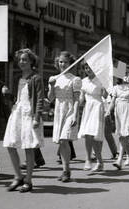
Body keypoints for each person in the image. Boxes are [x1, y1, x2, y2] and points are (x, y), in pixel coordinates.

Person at [3, 48, 45, 192]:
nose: (22, 62)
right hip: (17, 112)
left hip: (29, 114)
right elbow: (16, 98)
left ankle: (28, 180)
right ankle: (18, 176)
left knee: (28, 147)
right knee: (10, 144)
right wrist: (7, 94)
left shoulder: (36, 78)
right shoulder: (17, 78)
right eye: (20, 59)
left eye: (25, 59)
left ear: (31, 61)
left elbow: (39, 99)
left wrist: (37, 117)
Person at [48, 51, 82, 182]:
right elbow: (50, 98)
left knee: (64, 139)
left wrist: (74, 115)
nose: (62, 64)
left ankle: (67, 171)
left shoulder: (75, 79)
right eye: (60, 61)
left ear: (70, 64)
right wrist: (51, 86)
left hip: (70, 110)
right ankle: (65, 170)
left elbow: (77, 99)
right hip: (59, 110)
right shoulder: (53, 78)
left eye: (65, 62)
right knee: (61, 142)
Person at [78, 60, 107, 172]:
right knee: (88, 134)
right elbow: (81, 98)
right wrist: (76, 102)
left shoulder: (101, 80)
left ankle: (99, 162)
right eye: (86, 68)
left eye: (90, 67)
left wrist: (105, 88)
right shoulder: (83, 81)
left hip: (98, 107)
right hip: (88, 108)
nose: (88, 70)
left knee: (95, 136)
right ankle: (88, 159)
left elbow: (105, 96)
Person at [108, 73, 129, 170]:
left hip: (128, 110)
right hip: (119, 111)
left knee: (125, 135)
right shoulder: (116, 88)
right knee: (121, 136)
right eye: (123, 74)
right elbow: (112, 101)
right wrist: (108, 111)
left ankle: (119, 159)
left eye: (127, 74)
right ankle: (128, 156)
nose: (125, 76)